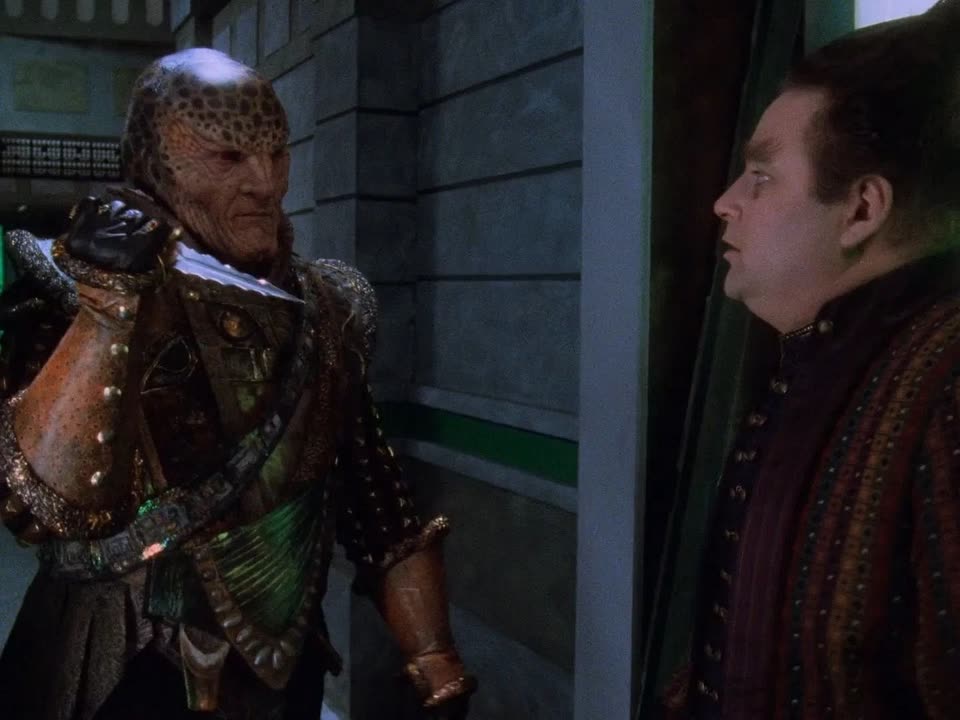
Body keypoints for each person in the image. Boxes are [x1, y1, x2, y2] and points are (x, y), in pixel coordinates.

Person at [0, 48, 474, 720]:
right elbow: (38, 505)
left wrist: (432, 654)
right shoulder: (77, 287)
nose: (265, 183)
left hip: (280, 666)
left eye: (275, 153)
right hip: (115, 655)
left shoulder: (325, 311)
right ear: (158, 165)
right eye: (228, 158)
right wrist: (107, 310)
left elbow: (376, 500)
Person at [668, 1, 960, 718]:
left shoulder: (945, 380)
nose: (725, 203)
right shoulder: (823, 360)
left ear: (861, 210)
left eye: (761, 175)